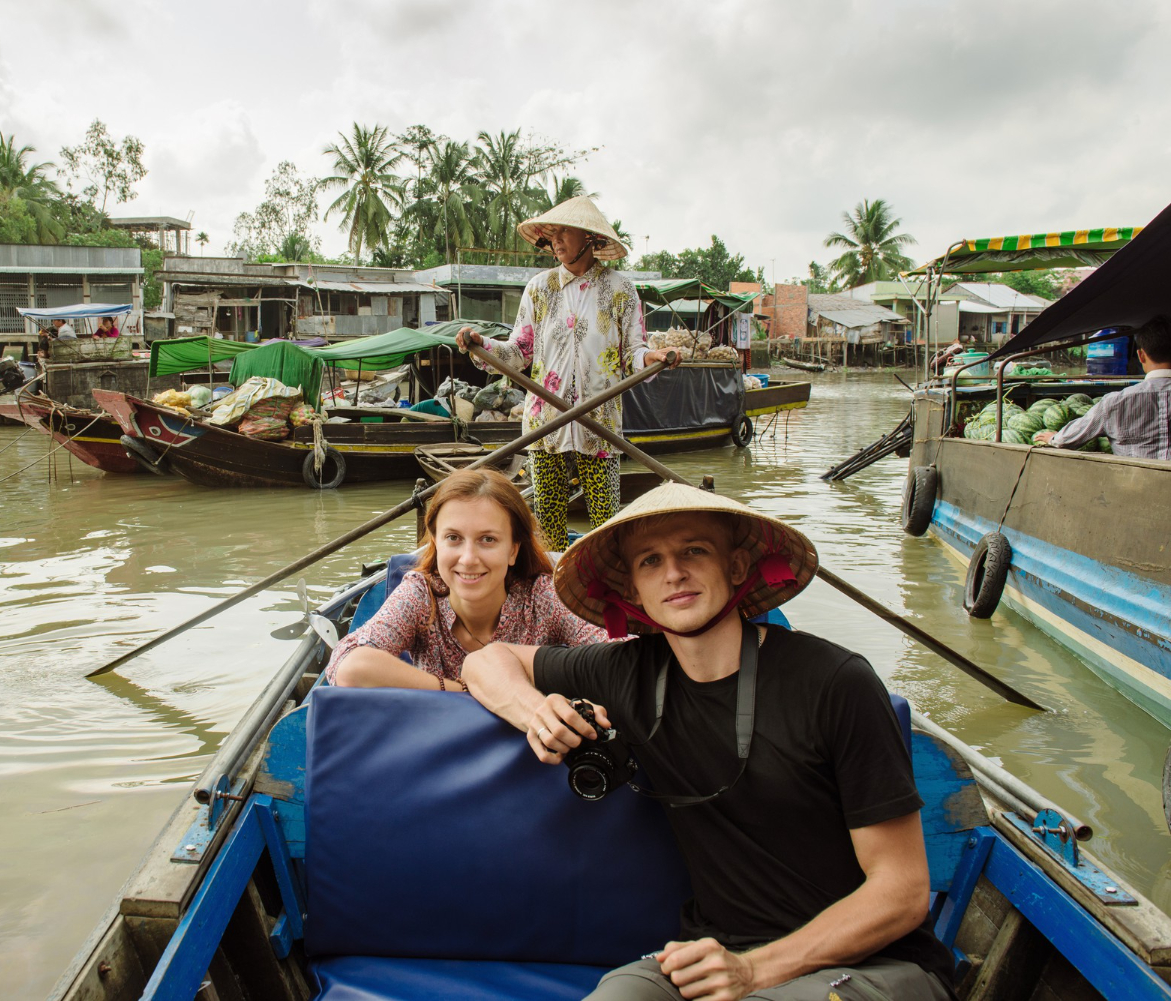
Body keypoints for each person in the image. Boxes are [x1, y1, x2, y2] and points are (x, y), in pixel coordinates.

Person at [461, 483, 951, 1001]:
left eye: (694, 551)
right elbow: (486, 661)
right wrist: (537, 712)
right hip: (715, 953)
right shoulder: (626, 673)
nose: (673, 572)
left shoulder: (834, 682)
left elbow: (901, 891)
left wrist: (754, 972)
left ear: (737, 568)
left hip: (876, 964)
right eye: (651, 561)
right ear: (632, 592)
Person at [455, 196, 680, 551]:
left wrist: (653, 356)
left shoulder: (621, 291)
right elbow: (518, 353)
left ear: (589, 238)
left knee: (607, 522)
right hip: (546, 424)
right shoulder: (540, 289)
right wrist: (483, 344)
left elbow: (634, 353)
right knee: (547, 522)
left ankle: (604, 590)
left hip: (600, 424)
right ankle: (553, 593)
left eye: (565, 232)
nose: (556, 240)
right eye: (552, 233)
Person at [327, 468, 606, 691]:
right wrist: (459, 690)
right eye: (454, 538)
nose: (469, 558)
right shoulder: (422, 595)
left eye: (488, 539)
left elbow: (615, 657)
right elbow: (347, 666)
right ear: (436, 543)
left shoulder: (541, 597)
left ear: (512, 550)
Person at [1033, 317, 1171, 460]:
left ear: (1141, 356)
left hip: (1132, 481)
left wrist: (1053, 438)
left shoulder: (1114, 402)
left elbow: (1066, 439)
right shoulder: (1113, 402)